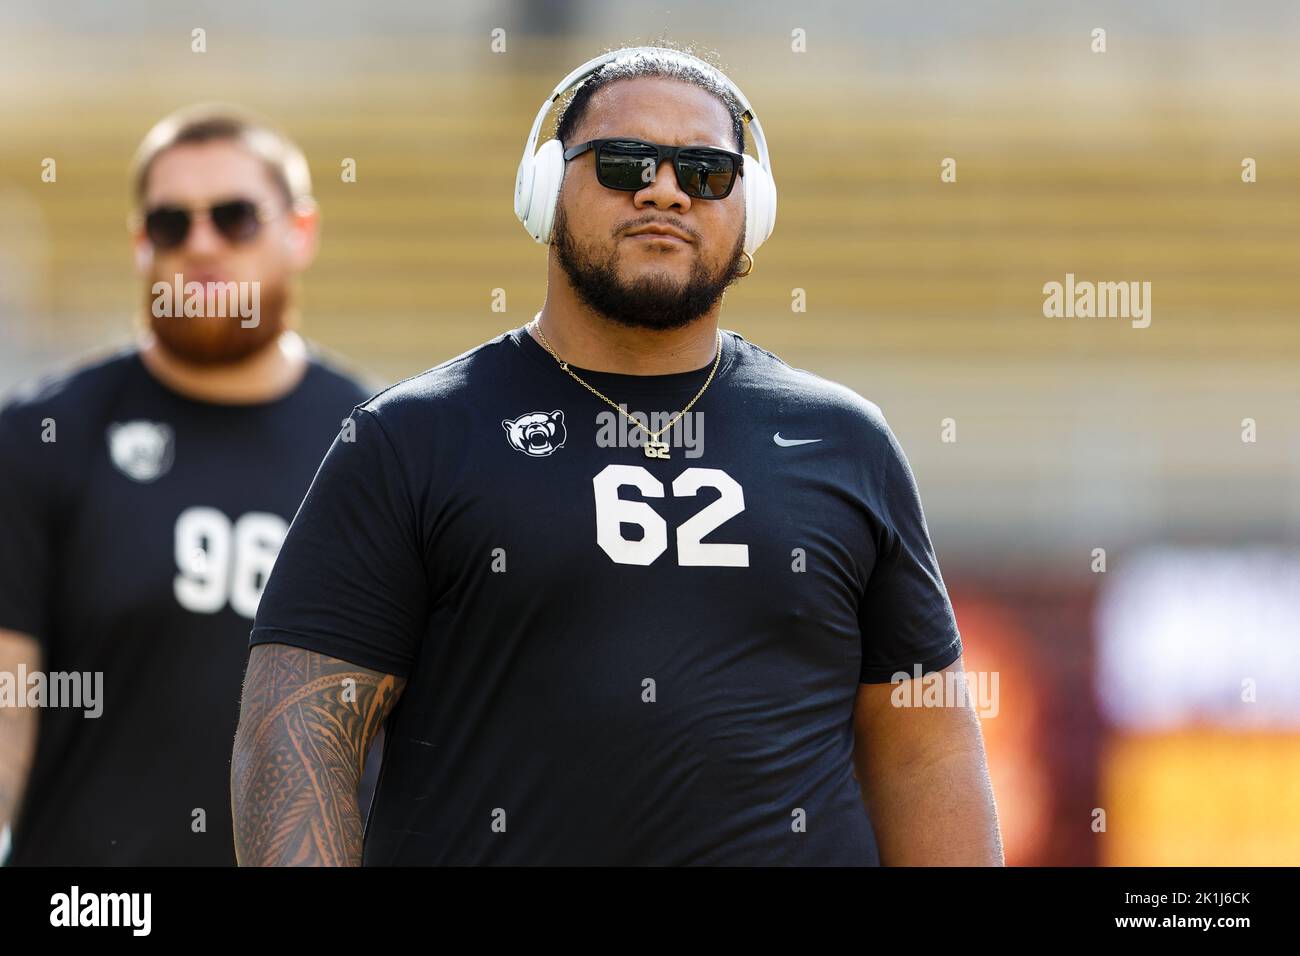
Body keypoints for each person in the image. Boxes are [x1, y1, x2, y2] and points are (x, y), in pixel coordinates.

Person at [232, 46, 1003, 865]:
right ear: (542, 191)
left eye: (706, 171)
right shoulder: (410, 439)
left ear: (753, 211)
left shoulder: (845, 440)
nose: (663, 188)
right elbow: (297, 741)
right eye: (622, 163)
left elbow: (926, 751)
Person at [0, 105, 375, 865]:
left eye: (235, 218)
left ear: (300, 231)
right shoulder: (42, 436)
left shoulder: (382, 448)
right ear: (141, 245)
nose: (200, 245)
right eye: (171, 225)